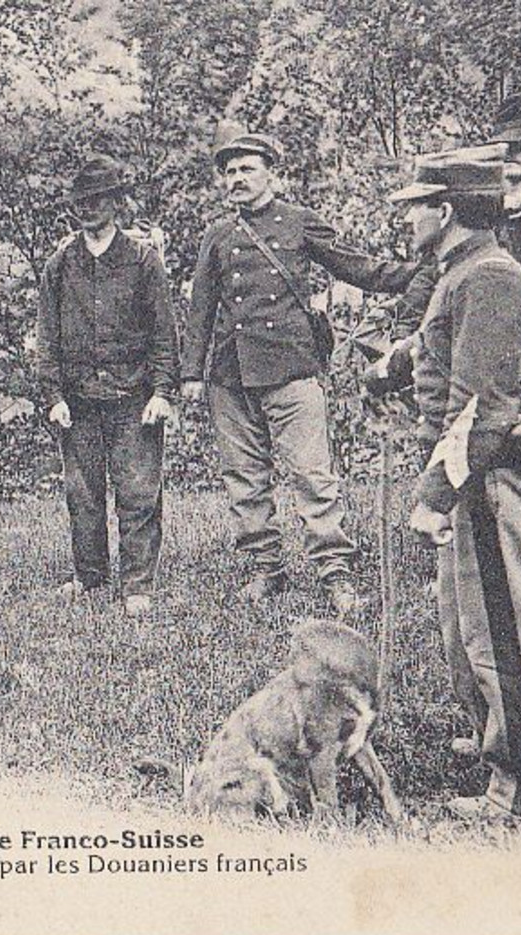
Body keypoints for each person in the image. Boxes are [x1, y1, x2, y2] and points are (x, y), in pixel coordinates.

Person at [383, 149, 521, 822]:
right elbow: (451, 352)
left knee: (509, 641)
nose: (404, 217)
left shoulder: (487, 277)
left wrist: (432, 496)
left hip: (495, 482)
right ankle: (502, 752)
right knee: (472, 634)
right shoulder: (463, 273)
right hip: (477, 476)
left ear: (444, 212)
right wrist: (396, 361)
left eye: (412, 206)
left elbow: (481, 407)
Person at [182, 131, 420, 617]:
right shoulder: (217, 236)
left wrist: (420, 273)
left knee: (313, 475)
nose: (237, 180)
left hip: (291, 367)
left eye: (246, 169)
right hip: (229, 373)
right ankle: (264, 567)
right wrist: (190, 374)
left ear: (271, 171)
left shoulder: (298, 223)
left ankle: (335, 571)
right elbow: (200, 309)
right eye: (229, 172)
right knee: (244, 479)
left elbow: (358, 268)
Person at [34, 155, 179, 614]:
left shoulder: (143, 260)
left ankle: (137, 584)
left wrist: (162, 392)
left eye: (98, 200)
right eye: (82, 201)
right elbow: (47, 337)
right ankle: (90, 576)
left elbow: (163, 333)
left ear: (116, 204)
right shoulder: (60, 264)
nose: (89, 209)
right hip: (77, 401)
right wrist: (53, 396)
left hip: (134, 398)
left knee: (138, 492)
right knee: (82, 493)